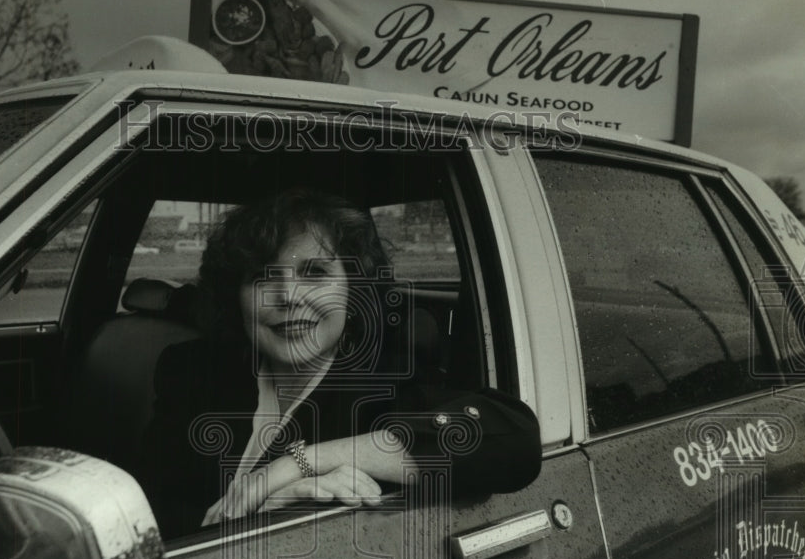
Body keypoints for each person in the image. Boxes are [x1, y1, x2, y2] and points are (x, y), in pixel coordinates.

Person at [134, 189, 541, 538]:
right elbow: (140, 515)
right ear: (235, 297)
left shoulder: (384, 388)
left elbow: (514, 440)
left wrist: (294, 465)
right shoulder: (192, 372)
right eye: (261, 277)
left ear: (355, 288)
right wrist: (256, 512)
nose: (288, 296)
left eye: (314, 273)